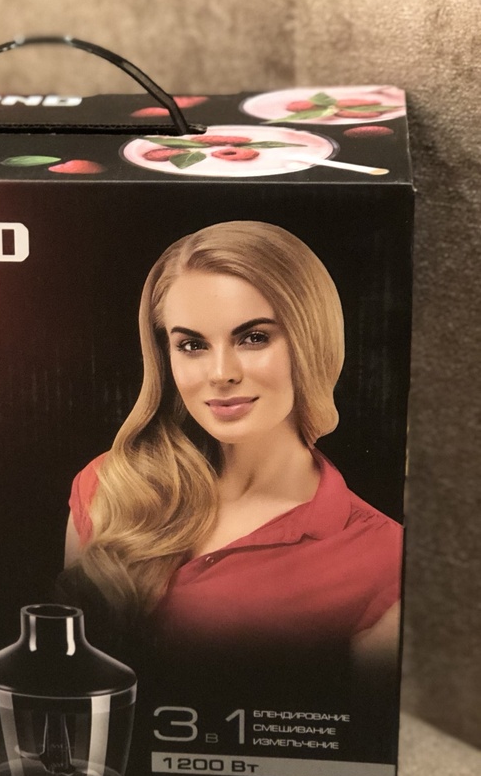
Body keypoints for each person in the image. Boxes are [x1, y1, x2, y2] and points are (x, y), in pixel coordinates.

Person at [63, 221, 402, 667]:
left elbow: (367, 714)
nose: (221, 373)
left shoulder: (384, 559)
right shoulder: (110, 484)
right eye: (192, 345)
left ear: (313, 341)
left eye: (254, 338)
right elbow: (66, 678)